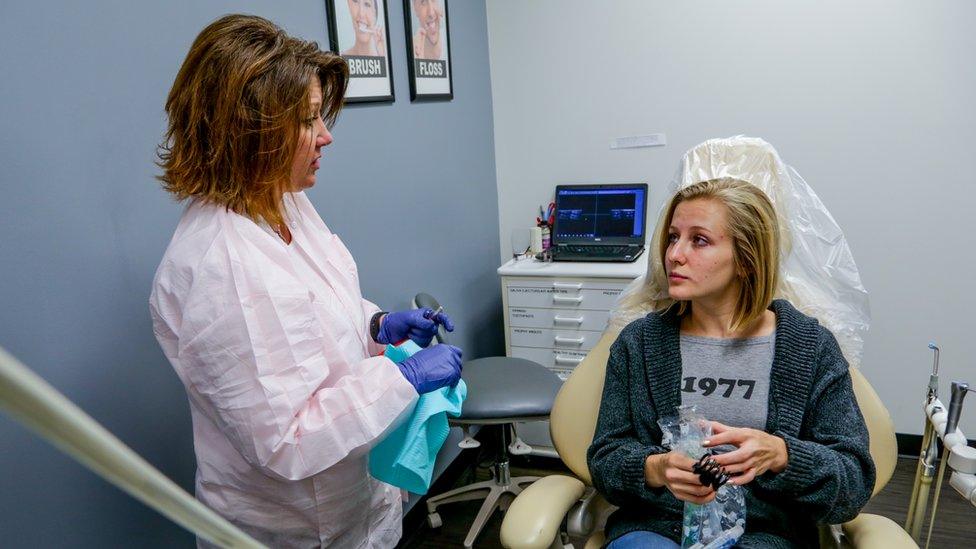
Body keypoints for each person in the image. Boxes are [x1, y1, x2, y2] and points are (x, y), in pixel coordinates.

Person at [149, 14, 461, 548]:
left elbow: (314, 309)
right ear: (251, 131)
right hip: (294, 530)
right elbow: (287, 441)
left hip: (351, 508)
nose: (326, 137)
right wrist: (402, 380)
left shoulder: (281, 200)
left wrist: (378, 324)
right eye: (309, 121)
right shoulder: (220, 266)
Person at [587, 178, 875, 548]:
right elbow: (605, 459)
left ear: (746, 259)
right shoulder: (640, 344)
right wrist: (655, 469)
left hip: (765, 533)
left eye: (699, 240)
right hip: (657, 527)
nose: (674, 254)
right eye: (673, 237)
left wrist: (782, 455)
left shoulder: (809, 348)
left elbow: (853, 482)